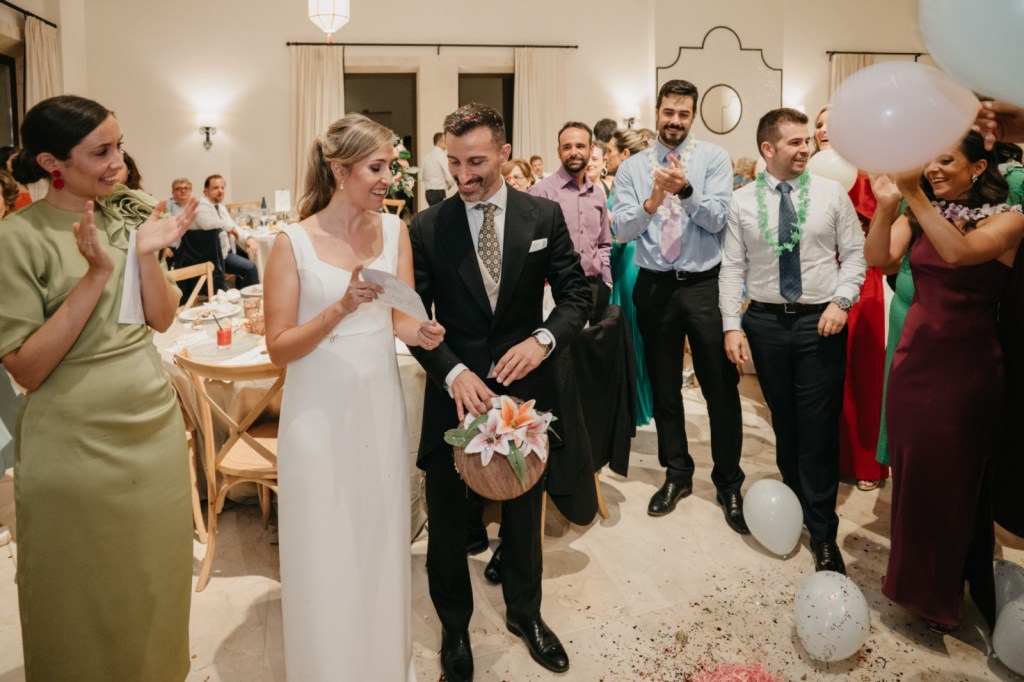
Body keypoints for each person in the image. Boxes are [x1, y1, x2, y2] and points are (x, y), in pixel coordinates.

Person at [0, 94, 198, 680]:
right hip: (72, 439)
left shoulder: (127, 211)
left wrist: (145, 255)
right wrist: (97, 274)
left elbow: (161, 318)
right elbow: (27, 369)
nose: (118, 163)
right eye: (101, 151)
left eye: (119, 146)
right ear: (51, 162)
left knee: (154, 576)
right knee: (78, 586)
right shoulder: (18, 237)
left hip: (151, 424)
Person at [409, 102, 590, 680]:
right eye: (454, 162)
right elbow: (412, 320)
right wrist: (451, 371)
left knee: (523, 513)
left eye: (477, 162)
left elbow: (577, 296)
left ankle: (525, 613)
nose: (463, 175)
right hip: (453, 392)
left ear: (504, 153)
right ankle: (454, 630)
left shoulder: (543, 216)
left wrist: (542, 340)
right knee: (446, 519)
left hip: (523, 393)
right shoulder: (427, 227)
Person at [263, 113, 443, 681]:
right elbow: (278, 348)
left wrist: (422, 332)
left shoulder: (395, 231)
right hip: (318, 413)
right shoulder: (292, 242)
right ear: (340, 171)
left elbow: (398, 317)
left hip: (378, 404)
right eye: (377, 167)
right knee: (325, 542)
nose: (390, 179)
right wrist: (339, 308)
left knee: (379, 537)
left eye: (392, 167)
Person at [866, 131, 1023, 632]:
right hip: (914, 360)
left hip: (965, 369)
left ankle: (942, 596)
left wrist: (912, 192)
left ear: (977, 168)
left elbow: (958, 254)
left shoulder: (1010, 219)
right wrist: (887, 206)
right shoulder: (922, 212)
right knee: (912, 479)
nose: (932, 168)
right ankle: (912, 585)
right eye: (926, 161)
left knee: (950, 485)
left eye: (945, 160)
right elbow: (879, 257)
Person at [720, 108, 866, 574]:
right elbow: (733, 267)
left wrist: (841, 302)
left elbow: (855, 254)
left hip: (821, 322)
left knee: (819, 428)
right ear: (768, 149)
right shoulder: (741, 202)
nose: (808, 148)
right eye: (796, 142)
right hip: (765, 324)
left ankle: (823, 532)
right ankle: (796, 506)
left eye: (808, 140)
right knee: (784, 422)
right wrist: (731, 325)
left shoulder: (831, 193)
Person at [612, 79, 747, 532]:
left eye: (683, 114)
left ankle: (728, 482)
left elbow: (719, 219)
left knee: (720, 388)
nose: (675, 121)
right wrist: (652, 201)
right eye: (668, 112)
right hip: (654, 287)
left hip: (703, 286)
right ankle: (677, 473)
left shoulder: (714, 159)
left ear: (693, 116)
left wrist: (686, 190)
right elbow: (622, 230)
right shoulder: (632, 167)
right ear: (657, 112)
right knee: (665, 387)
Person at [811, 105, 889, 492]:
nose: (823, 130)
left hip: (860, 279)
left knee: (860, 372)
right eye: (818, 125)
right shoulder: (808, 172)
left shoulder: (868, 174)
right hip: (817, 277)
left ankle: (865, 463)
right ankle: (827, 457)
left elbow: (880, 230)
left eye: (832, 124)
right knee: (823, 374)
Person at [530, 121, 613, 324]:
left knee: (594, 343)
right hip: (557, 290)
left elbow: (603, 243)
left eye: (580, 146)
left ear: (591, 149)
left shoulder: (597, 194)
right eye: (567, 147)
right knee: (561, 345)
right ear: (559, 152)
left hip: (595, 287)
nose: (573, 152)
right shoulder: (541, 193)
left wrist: (606, 280)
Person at [605, 128, 654, 427]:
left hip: (628, 260)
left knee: (631, 334)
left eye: (609, 151)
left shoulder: (628, 184)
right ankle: (641, 404)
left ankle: (636, 407)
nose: (606, 156)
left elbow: (622, 229)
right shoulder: (638, 181)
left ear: (625, 154)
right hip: (631, 257)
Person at [190, 174, 259, 288]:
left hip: (222, 253)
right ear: (206, 191)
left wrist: (248, 238)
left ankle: (241, 295)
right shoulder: (201, 205)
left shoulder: (220, 207)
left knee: (247, 256)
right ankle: (249, 297)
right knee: (250, 268)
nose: (220, 191)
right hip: (209, 258)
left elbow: (233, 225)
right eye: (216, 188)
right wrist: (230, 228)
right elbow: (208, 223)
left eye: (222, 188)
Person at [421, 131, 456, 206]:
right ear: (439, 142)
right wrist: (451, 183)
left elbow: (421, 176)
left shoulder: (426, 156)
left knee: (432, 211)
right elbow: (448, 172)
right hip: (438, 191)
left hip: (428, 192)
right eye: (445, 141)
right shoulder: (442, 155)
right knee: (439, 212)